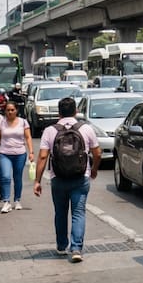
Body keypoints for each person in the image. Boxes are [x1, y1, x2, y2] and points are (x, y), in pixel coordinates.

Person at [33, 97, 100, 263]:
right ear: (76, 111)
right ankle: (76, 248)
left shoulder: (50, 130)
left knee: (60, 212)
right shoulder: (86, 129)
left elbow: (42, 156)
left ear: (59, 112)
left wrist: (37, 181)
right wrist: (94, 169)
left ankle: (62, 245)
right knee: (78, 212)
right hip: (80, 176)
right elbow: (97, 153)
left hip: (58, 177)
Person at [0, 101, 33, 213]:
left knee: (17, 177)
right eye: (8, 110)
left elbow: (28, 137)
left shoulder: (23, 122)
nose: (10, 112)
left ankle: (17, 200)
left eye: (12, 110)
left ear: (16, 110)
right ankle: (6, 201)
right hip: (4, 153)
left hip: (20, 153)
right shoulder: (1, 123)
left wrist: (31, 152)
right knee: (5, 176)